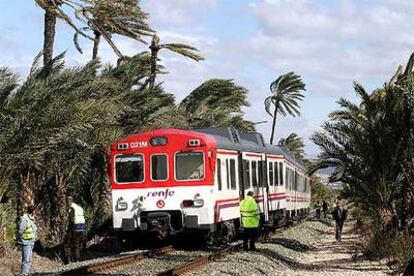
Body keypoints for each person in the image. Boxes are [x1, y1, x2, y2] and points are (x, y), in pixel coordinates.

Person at [64, 196, 86, 263]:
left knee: (67, 242)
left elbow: (69, 216)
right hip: (82, 226)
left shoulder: (71, 207)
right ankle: (77, 259)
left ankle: (67, 259)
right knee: (77, 242)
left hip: (75, 225)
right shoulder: (79, 207)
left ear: (68, 201)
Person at [18, 205, 37, 276]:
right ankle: (23, 273)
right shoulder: (25, 219)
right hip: (26, 241)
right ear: (32, 212)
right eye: (34, 211)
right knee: (26, 259)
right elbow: (21, 230)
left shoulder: (32, 218)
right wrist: (20, 239)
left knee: (29, 259)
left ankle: (26, 273)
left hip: (31, 241)